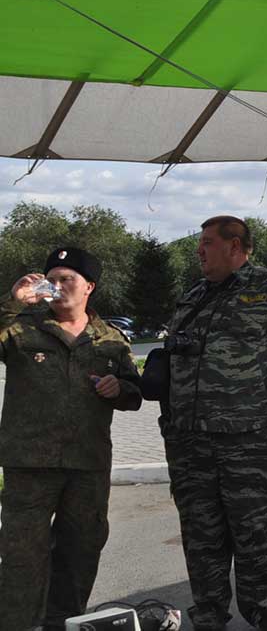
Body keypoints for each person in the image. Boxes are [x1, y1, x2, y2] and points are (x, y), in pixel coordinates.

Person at [161, 216, 267, 631]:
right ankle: (209, 615)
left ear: (236, 246)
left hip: (253, 443)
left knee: (256, 535)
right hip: (191, 444)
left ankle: (266, 613)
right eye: (200, 242)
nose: (199, 250)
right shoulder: (193, 295)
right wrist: (170, 423)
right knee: (201, 536)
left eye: (208, 243)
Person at [0, 248, 142, 631]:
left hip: (87, 464)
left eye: (68, 280)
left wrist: (120, 388)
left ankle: (63, 622)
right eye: (53, 278)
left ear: (89, 287)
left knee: (81, 550)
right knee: (21, 555)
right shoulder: (19, 327)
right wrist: (11, 303)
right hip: (29, 463)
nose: (58, 287)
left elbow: (134, 393)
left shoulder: (110, 339)